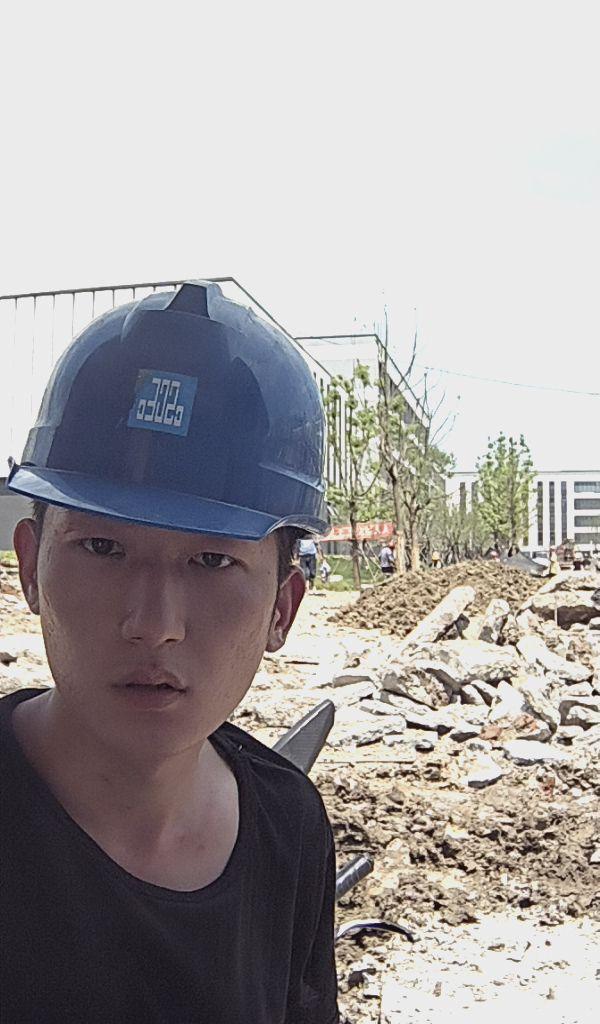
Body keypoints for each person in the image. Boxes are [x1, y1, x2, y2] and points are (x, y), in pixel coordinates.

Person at [0, 282, 339, 1023]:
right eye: (102, 547)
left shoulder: (289, 830)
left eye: (212, 562)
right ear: (30, 566)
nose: (153, 625)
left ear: (282, 607)